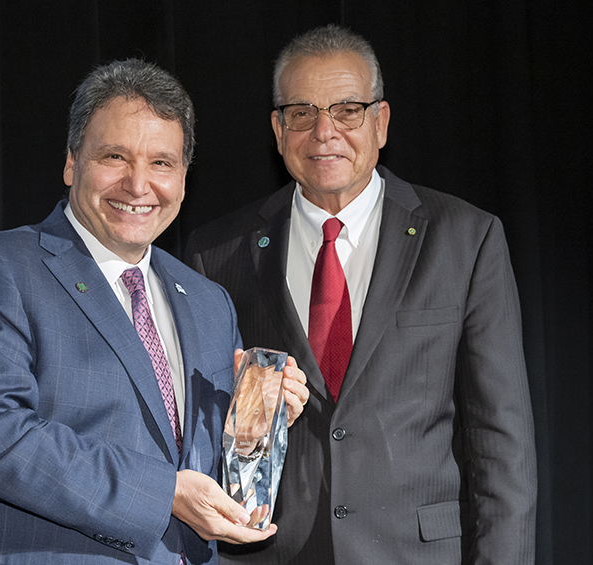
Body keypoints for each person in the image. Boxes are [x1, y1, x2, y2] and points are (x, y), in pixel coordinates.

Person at [0, 58, 309, 565]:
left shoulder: (208, 302)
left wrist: (259, 423)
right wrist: (163, 492)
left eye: (161, 163)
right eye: (114, 157)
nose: (138, 184)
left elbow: (196, 465)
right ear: (70, 163)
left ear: (185, 179)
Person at [185, 25, 537, 564]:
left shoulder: (466, 239)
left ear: (381, 122)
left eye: (347, 110)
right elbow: (197, 428)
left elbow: (501, 442)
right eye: (302, 113)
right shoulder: (217, 252)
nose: (324, 132)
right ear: (278, 131)